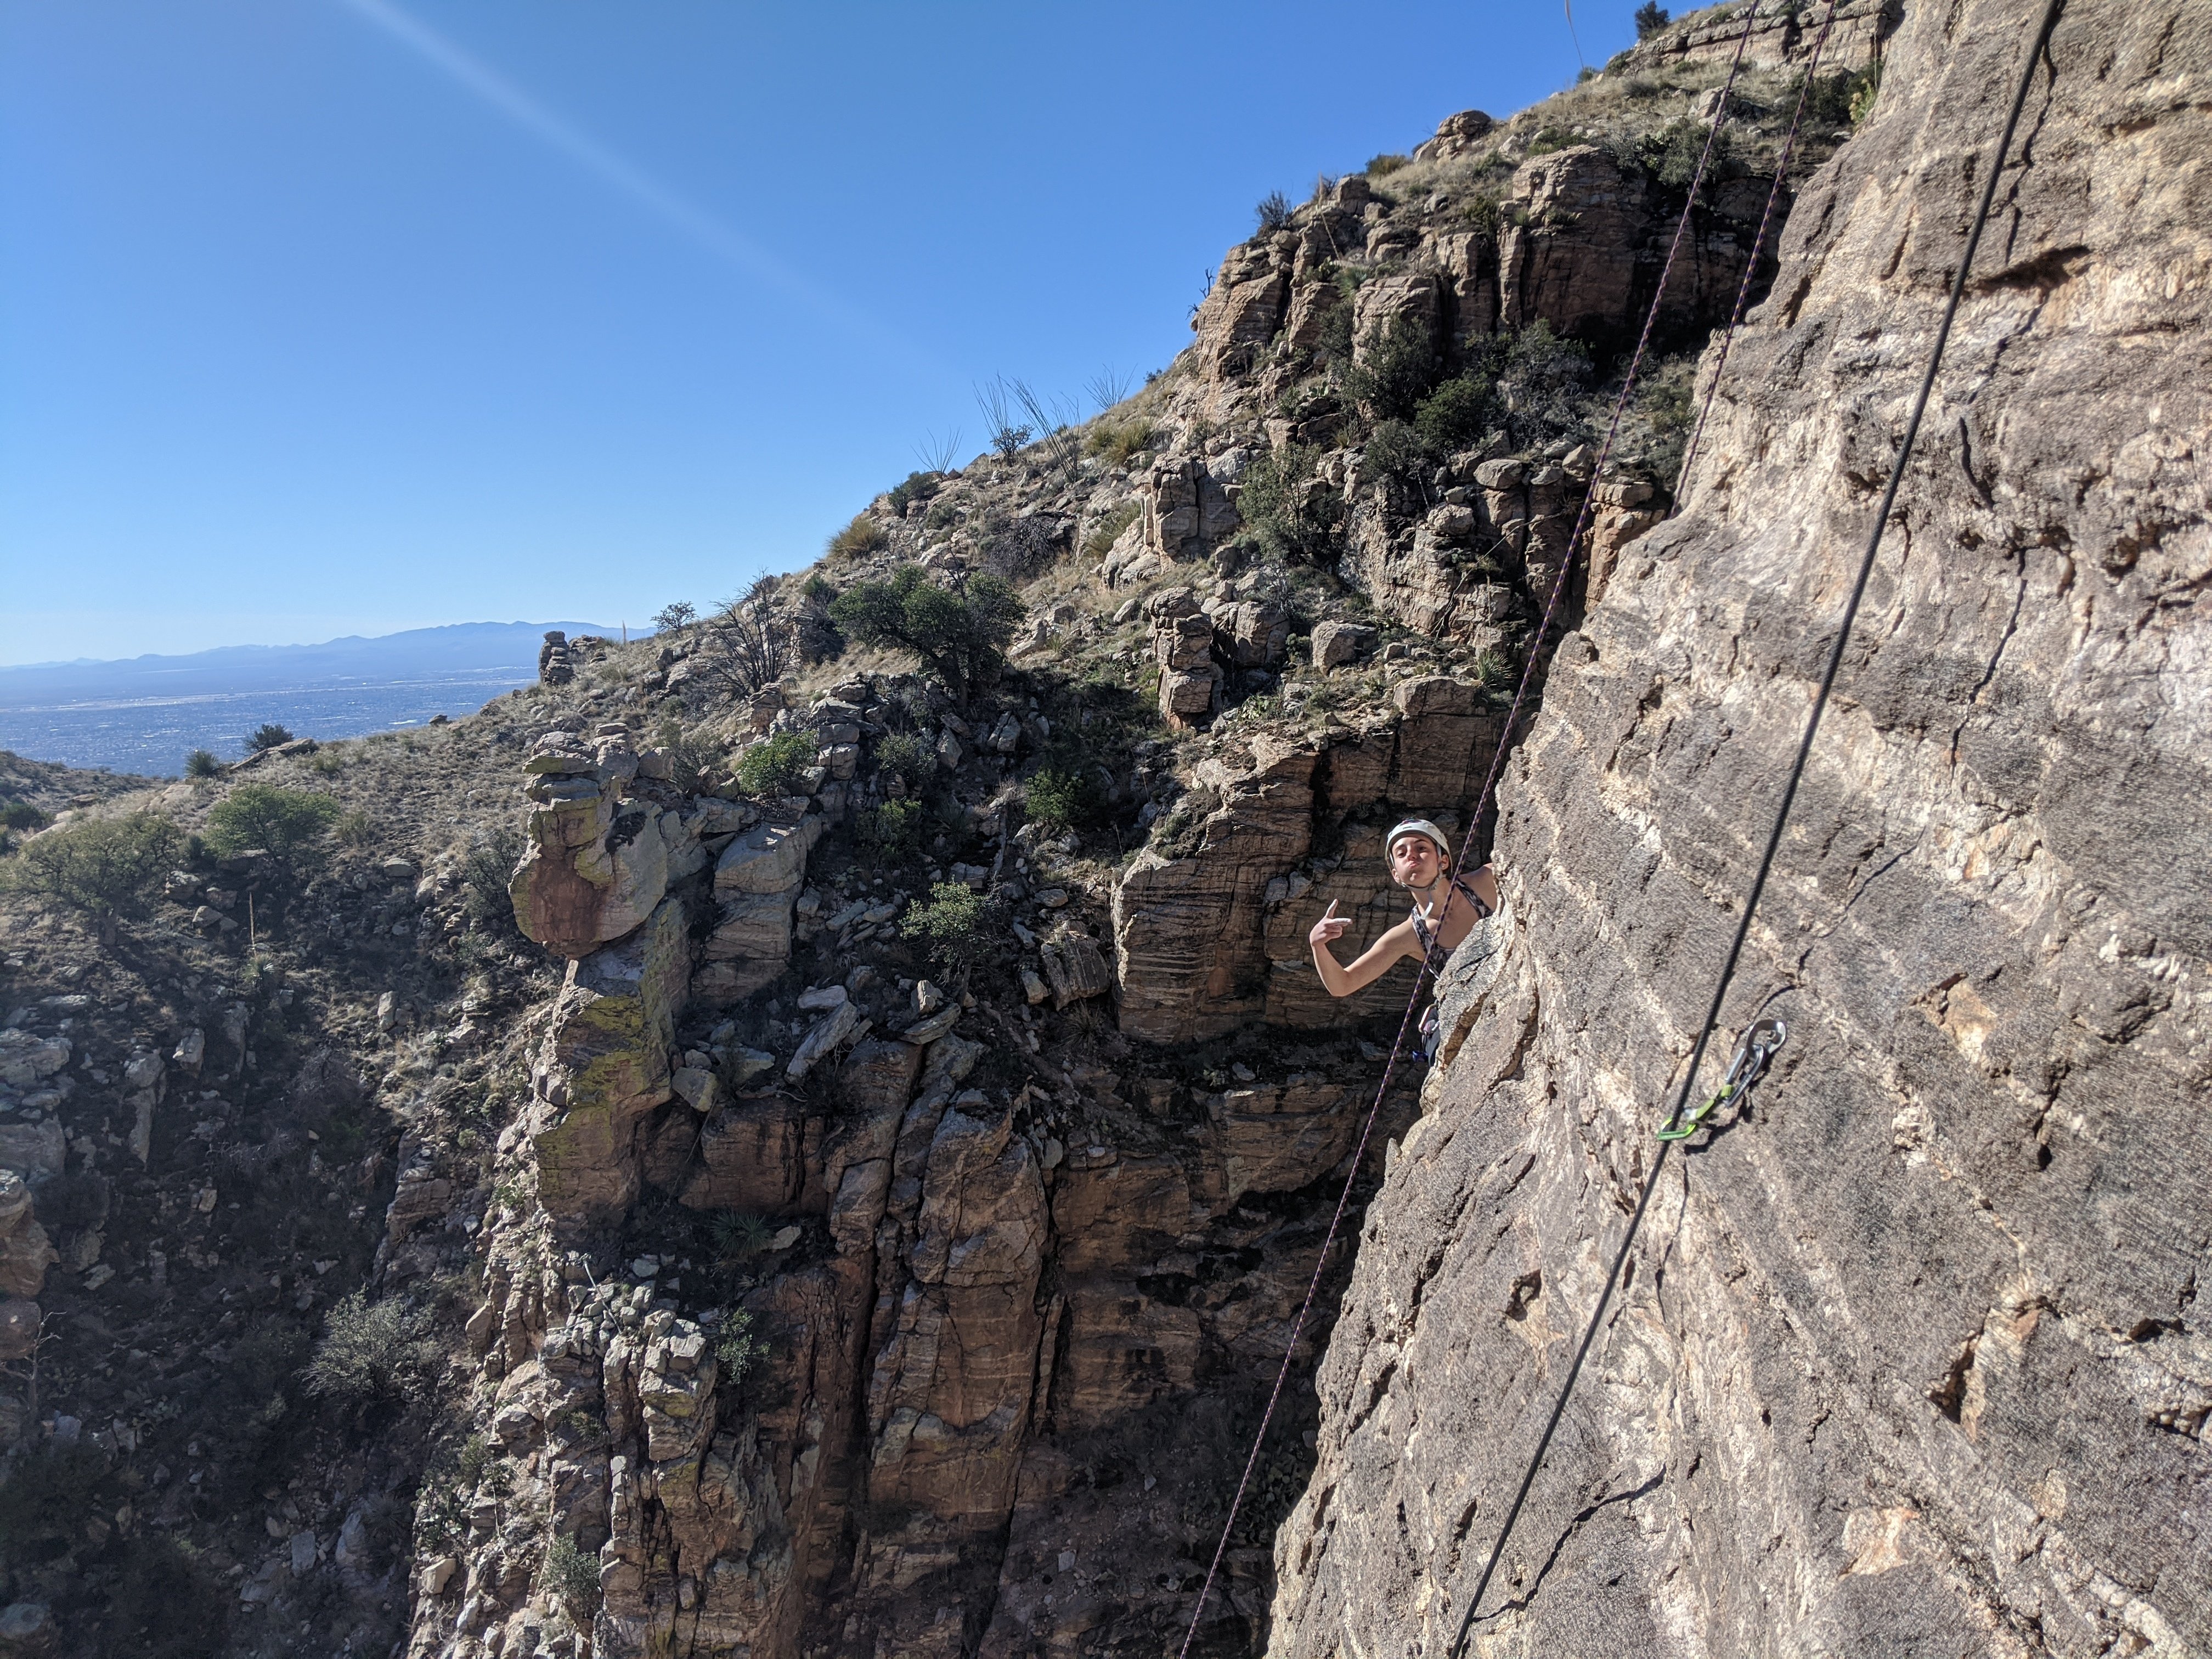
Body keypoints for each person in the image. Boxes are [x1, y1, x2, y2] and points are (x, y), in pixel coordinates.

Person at [1308, 821, 1499, 1049]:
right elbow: (1342, 985)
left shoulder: (1488, 880)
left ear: (1444, 861)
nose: (1412, 856)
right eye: (1402, 853)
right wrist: (1317, 945)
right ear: (1396, 875)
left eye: (1422, 848)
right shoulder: (1407, 936)